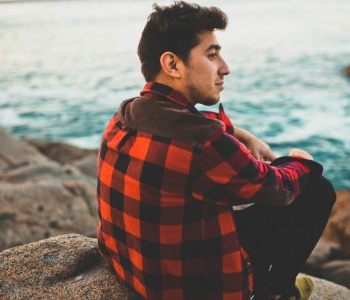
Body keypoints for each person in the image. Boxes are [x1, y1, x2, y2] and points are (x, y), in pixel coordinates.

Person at [96, 2, 336, 299]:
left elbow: (184, 122)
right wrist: (301, 160)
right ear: (172, 65)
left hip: (132, 268)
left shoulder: (124, 115)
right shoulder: (204, 144)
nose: (225, 67)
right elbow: (280, 189)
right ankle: (275, 291)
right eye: (212, 55)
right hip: (196, 289)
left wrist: (240, 133)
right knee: (316, 190)